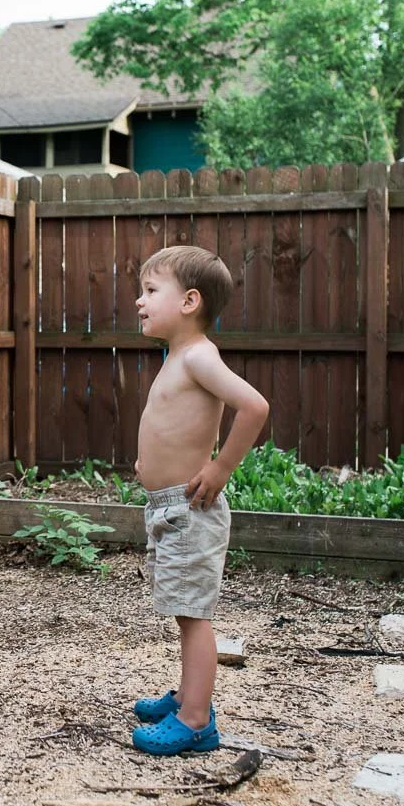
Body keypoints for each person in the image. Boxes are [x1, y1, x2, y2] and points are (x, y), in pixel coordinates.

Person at [128, 245, 269, 756]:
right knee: (181, 607)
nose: (139, 301)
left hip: (189, 509)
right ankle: (189, 695)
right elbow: (175, 424)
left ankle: (195, 721)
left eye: (150, 291)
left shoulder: (200, 356)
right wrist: (150, 465)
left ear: (189, 301)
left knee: (193, 615)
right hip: (166, 504)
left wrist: (220, 467)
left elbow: (253, 406)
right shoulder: (177, 357)